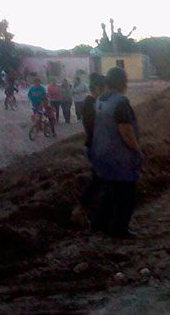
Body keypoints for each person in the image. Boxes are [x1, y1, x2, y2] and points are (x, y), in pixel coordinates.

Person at [91, 67, 142, 238]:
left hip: (101, 152)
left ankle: (99, 223)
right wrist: (137, 150)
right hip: (119, 156)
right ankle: (119, 229)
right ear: (123, 82)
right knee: (125, 194)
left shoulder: (100, 100)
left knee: (108, 190)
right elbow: (125, 130)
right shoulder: (121, 102)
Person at [71, 73, 108, 226]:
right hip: (96, 147)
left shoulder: (93, 102)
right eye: (104, 88)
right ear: (98, 88)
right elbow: (95, 129)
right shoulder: (91, 104)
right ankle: (83, 211)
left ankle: (91, 213)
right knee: (99, 180)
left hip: (96, 146)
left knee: (100, 180)